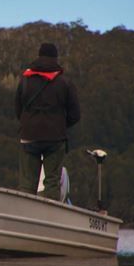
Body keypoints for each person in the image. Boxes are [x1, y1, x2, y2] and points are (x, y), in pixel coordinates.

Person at [14, 43, 80, 200]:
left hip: (29, 136)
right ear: (55, 58)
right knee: (52, 182)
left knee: (27, 183)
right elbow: (75, 114)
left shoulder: (25, 80)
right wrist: (60, 125)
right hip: (55, 139)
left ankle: (25, 216)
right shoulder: (65, 82)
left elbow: (18, 109)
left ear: (38, 56)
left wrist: (28, 123)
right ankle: (49, 219)